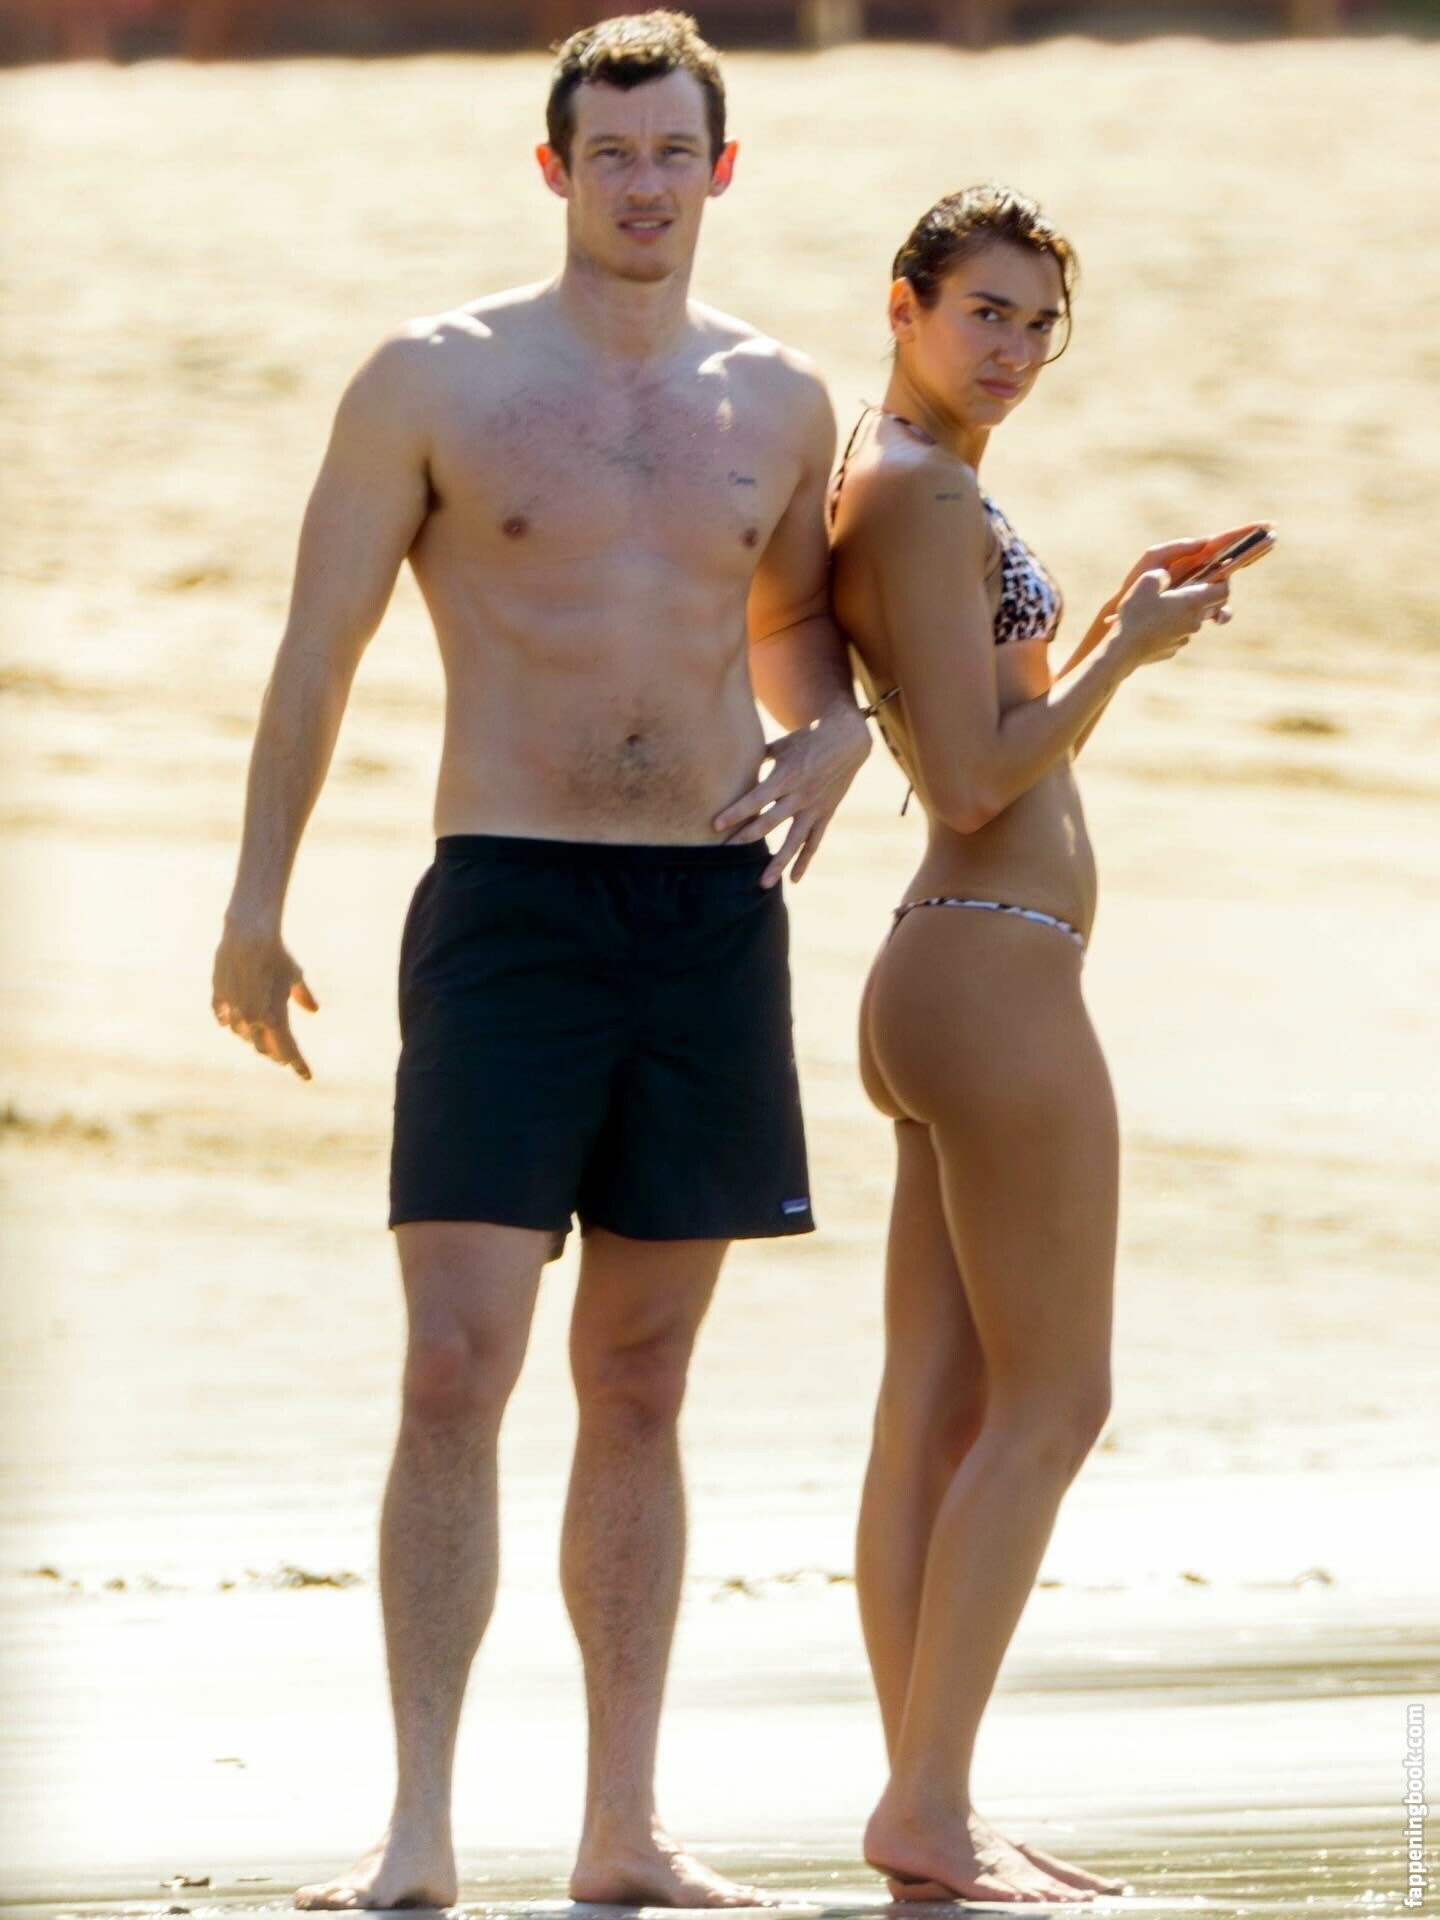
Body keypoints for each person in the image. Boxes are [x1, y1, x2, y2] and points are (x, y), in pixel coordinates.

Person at [210, 12, 870, 1909]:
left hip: (708, 918)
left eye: (673, 153)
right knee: (452, 1363)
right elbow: (318, 648)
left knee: (642, 1382)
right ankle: (418, 1828)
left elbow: (795, 628)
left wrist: (837, 726)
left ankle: (621, 1832)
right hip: (508, 905)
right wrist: (255, 901)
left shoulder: (780, 398)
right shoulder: (435, 377)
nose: (643, 184)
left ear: (721, 171)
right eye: (611, 154)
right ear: (555, 170)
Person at [828, 184, 1268, 1905]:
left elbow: (985, 724)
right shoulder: (926, 491)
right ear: (905, 305)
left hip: (944, 970)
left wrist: (1102, 627)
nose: (1011, 350)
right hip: (993, 973)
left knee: (934, 1412)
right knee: (1056, 1400)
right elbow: (969, 779)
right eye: (984, 313)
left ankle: (926, 1804)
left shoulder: (902, 476)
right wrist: (1131, 656)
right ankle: (927, 1801)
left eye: (1036, 325)